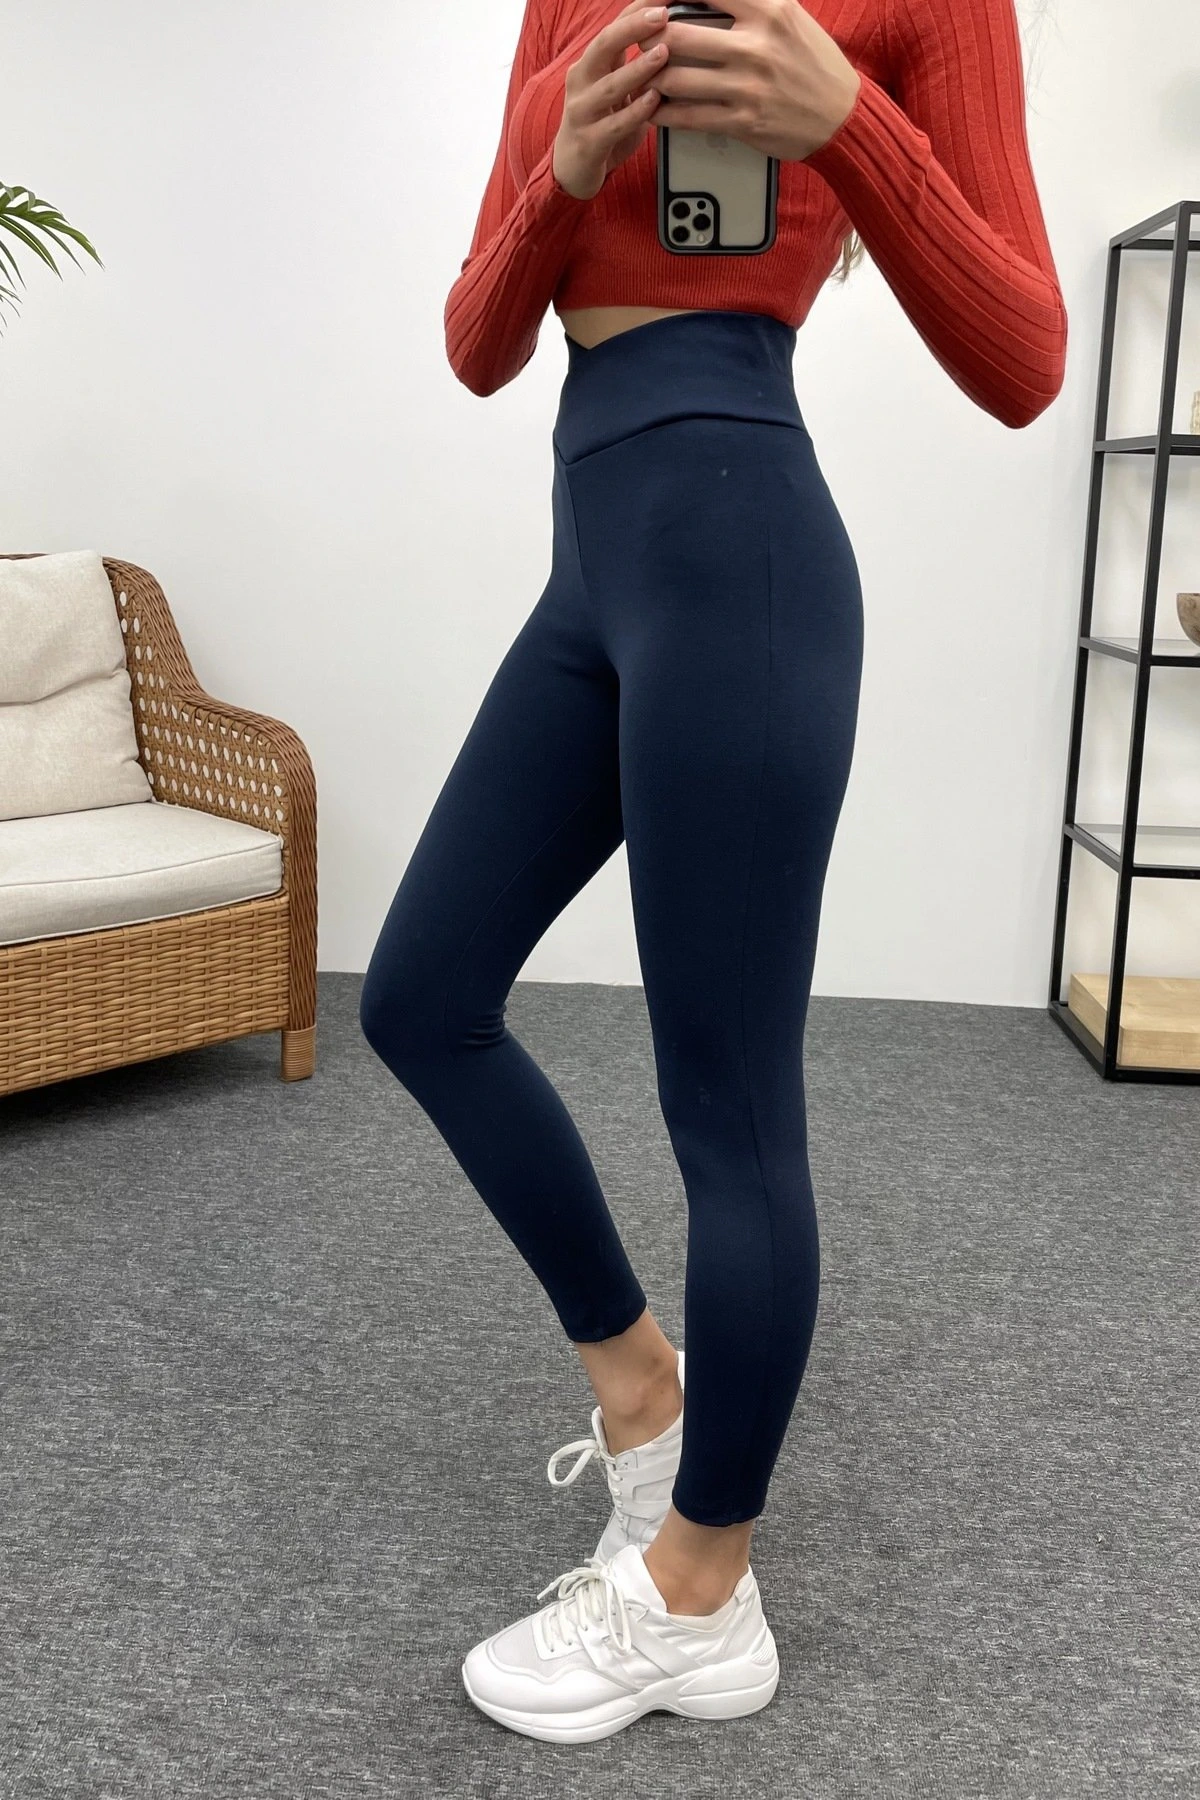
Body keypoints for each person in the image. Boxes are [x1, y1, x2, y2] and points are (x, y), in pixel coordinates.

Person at [359, 0, 1067, 1744]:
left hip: (741, 551)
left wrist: (849, 122)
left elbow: (1026, 357)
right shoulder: (568, 10)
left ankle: (701, 1594)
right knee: (421, 997)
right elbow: (475, 343)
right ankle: (641, 1389)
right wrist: (560, 167)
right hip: (591, 563)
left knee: (730, 1105)